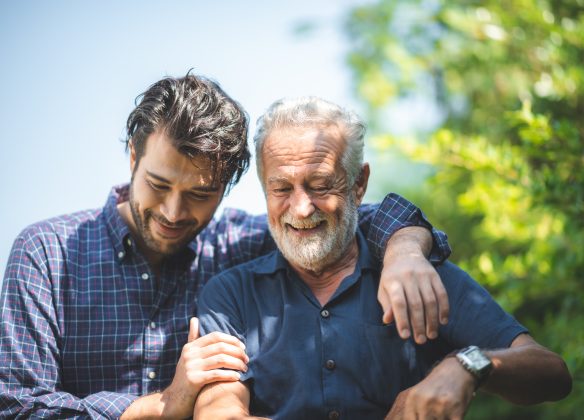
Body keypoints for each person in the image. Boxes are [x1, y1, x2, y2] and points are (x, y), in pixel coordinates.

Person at [0, 73, 452, 419]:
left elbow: (344, 217)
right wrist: (163, 405)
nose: (174, 212)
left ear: (228, 186)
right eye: (158, 185)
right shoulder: (47, 253)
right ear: (134, 158)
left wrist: (405, 250)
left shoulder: (243, 243)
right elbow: (16, 406)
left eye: (200, 194)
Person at [194, 96, 572, 419]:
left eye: (321, 185)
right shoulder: (231, 293)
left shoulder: (419, 276)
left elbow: (552, 373)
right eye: (280, 188)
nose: (302, 208)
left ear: (359, 184)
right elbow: (218, 409)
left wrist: (467, 364)